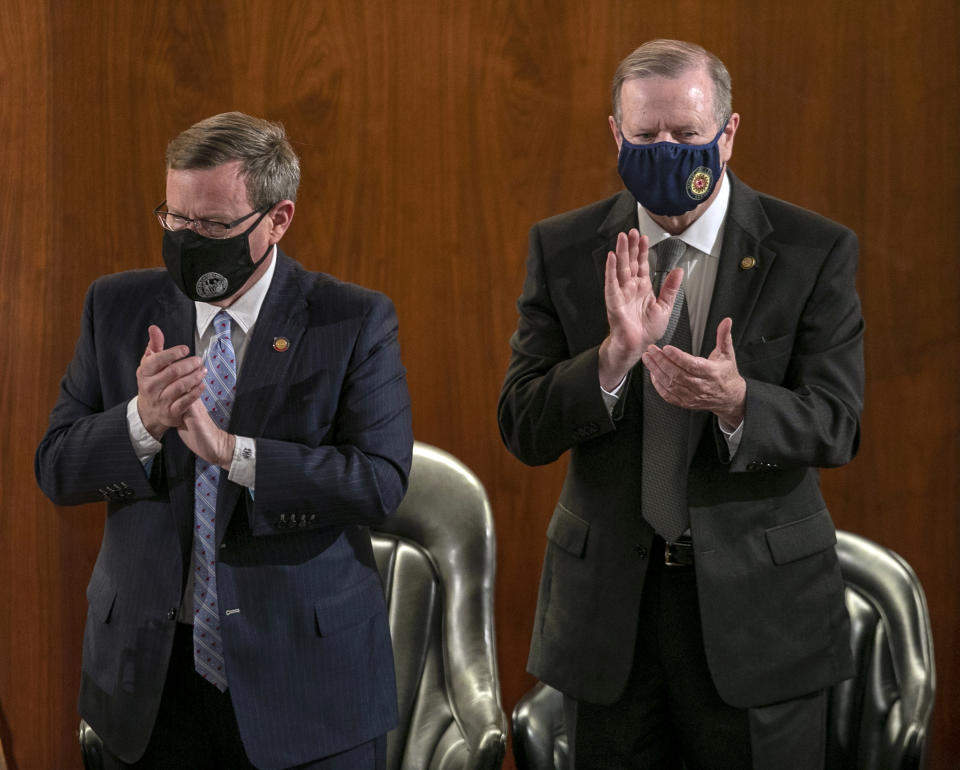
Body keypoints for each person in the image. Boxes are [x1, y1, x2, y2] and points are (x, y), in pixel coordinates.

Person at [498, 40, 864, 769]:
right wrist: (610, 360)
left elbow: (837, 421)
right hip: (610, 619)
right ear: (617, 135)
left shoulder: (810, 248)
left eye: (687, 135)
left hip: (760, 619)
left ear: (727, 134)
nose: (666, 150)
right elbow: (523, 425)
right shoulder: (566, 247)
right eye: (646, 136)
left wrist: (738, 403)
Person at [35, 112, 413, 769]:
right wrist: (142, 421)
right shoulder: (116, 308)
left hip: (305, 684)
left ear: (278, 218)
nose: (188, 239)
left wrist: (233, 454)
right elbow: (57, 468)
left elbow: (378, 482)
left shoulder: (349, 320)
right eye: (175, 220)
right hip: (151, 686)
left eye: (211, 226)